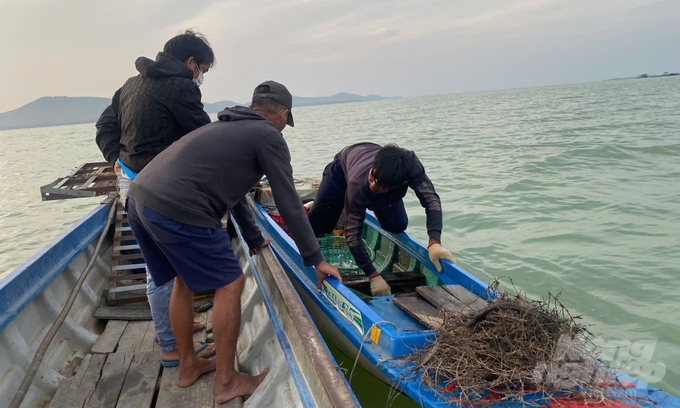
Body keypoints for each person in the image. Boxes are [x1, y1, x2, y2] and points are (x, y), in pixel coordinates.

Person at [125, 81, 342, 402]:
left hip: (139, 198)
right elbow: (288, 201)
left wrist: (253, 237)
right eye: (286, 121)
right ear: (282, 114)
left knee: (181, 281)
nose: (284, 127)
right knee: (231, 283)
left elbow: (233, 191)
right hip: (179, 206)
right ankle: (227, 382)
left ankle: (188, 366)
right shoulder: (268, 135)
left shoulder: (226, 128)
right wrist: (316, 258)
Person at [94, 30, 216, 366]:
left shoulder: (130, 84)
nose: (200, 76)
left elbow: (104, 126)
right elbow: (203, 138)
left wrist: (115, 157)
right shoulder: (181, 87)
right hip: (165, 190)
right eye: (202, 68)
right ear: (190, 62)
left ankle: (178, 325)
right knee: (162, 271)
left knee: (164, 266)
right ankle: (171, 348)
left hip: (133, 186)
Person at [308, 143, 456, 296]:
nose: (372, 184)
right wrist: (373, 276)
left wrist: (434, 241)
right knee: (317, 228)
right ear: (374, 166)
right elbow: (352, 236)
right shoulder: (359, 183)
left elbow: (431, 200)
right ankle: (328, 205)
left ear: (399, 184)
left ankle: (359, 205)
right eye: (373, 178)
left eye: (379, 186)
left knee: (397, 225)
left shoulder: (409, 166)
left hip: (379, 188)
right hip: (343, 168)